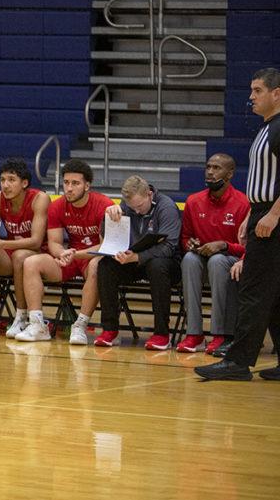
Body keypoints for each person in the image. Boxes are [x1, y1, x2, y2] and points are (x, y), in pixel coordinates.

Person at [196, 68, 280, 381]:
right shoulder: (267, 127)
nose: (251, 97)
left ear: (277, 93)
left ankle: (238, 361)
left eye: (258, 90)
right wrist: (251, 213)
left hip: (273, 218)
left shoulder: (279, 128)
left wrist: (272, 214)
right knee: (274, 294)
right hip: (262, 212)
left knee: (253, 290)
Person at [17, 159, 112, 344]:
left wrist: (73, 254)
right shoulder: (58, 205)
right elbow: (54, 243)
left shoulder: (104, 205)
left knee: (96, 266)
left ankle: (80, 326)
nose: (69, 188)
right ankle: (37, 325)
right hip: (70, 258)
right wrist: (61, 254)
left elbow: (104, 247)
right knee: (31, 262)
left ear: (87, 185)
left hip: (92, 257)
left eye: (75, 183)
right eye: (66, 183)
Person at [96, 175, 182, 350]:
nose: (136, 211)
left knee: (157, 266)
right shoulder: (125, 206)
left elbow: (168, 247)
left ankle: (161, 334)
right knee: (105, 266)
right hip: (134, 259)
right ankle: (109, 330)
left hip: (167, 264)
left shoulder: (167, 207)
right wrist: (108, 219)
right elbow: (109, 239)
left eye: (140, 206)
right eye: (131, 208)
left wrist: (136, 257)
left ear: (149, 194)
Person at [177, 154, 250, 353]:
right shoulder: (193, 201)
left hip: (232, 261)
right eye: (208, 167)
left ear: (230, 174)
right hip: (202, 259)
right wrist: (190, 244)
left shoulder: (243, 203)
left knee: (217, 261)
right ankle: (194, 334)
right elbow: (185, 238)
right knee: (189, 259)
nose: (210, 171)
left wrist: (224, 245)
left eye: (217, 168)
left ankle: (219, 334)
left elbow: (249, 248)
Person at [0, 158, 50, 336]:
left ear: (25, 183)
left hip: (39, 256)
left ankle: (21, 318)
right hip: (11, 254)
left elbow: (36, 241)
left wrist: (2, 243)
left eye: (11, 180)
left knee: (20, 256)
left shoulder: (40, 198)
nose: (5, 185)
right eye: (2, 180)